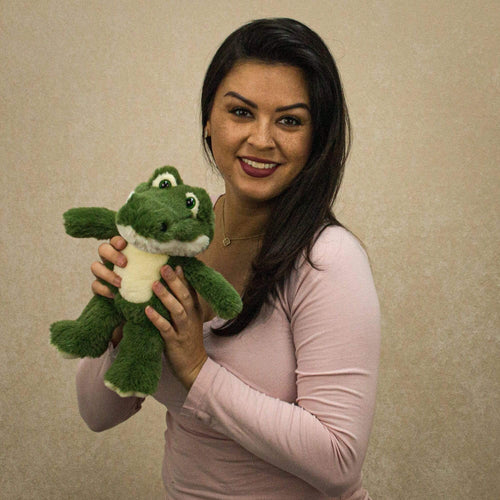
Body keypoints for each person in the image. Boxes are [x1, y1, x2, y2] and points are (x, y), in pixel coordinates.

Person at [77, 18, 381, 500]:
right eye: (241, 112)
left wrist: (198, 369)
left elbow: (339, 459)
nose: (261, 139)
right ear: (208, 120)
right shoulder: (175, 244)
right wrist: (116, 330)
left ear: (316, 137)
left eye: (289, 120)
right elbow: (97, 415)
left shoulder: (327, 260)